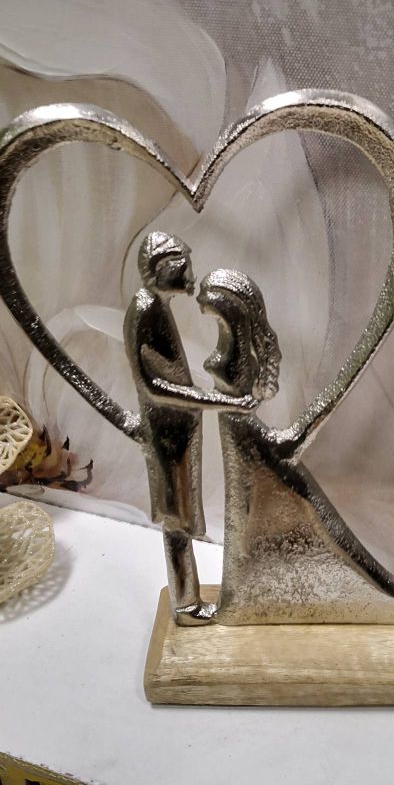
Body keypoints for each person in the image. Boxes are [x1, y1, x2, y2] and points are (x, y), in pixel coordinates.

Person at [151, 268, 394, 626]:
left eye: (207, 300)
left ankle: (247, 603)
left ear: (226, 304)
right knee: (252, 534)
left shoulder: (237, 344)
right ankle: (242, 602)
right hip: (241, 446)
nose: (197, 297)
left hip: (246, 446)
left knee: (293, 530)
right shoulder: (231, 339)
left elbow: (238, 395)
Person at [123, 233, 256, 625]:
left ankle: (188, 600)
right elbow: (153, 387)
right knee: (176, 522)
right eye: (183, 268)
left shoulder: (155, 307)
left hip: (179, 434)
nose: (191, 276)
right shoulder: (145, 309)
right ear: (162, 269)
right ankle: (185, 605)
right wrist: (222, 402)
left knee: (180, 519)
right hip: (167, 437)